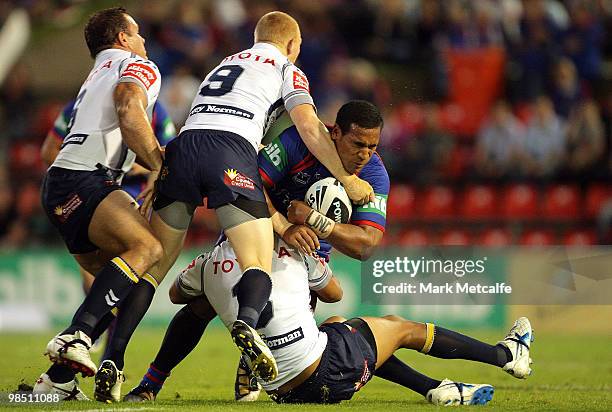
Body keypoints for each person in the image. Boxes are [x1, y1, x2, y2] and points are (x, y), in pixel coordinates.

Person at [144, 11, 374, 384]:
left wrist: (162, 169)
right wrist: (339, 184)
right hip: (242, 182)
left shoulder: (228, 63)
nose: (365, 153)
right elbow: (304, 133)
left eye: (369, 147)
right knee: (254, 273)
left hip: (192, 155)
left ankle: (117, 359)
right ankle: (247, 337)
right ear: (293, 45)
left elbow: (198, 124)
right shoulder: (288, 77)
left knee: (157, 270)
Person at [124, 235, 533, 405]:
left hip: (284, 392)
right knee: (398, 327)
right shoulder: (292, 247)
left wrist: (212, 277)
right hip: (328, 374)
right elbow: (335, 290)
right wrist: (309, 253)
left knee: (342, 325)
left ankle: (434, 389)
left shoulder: (209, 259)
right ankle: (505, 354)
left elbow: (178, 294)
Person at [36, 7, 164, 402]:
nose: (143, 40)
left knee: (123, 280)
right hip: (87, 180)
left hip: (59, 185)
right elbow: (129, 107)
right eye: (137, 32)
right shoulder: (137, 66)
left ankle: (56, 381)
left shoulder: (96, 74)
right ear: (123, 38)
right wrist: (161, 166)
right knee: (149, 249)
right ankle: (76, 337)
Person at [40, 99, 176, 293]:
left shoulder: (153, 109)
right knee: (111, 268)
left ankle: (94, 321)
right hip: (88, 189)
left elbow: (169, 155)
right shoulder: (79, 105)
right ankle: (94, 321)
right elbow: (49, 151)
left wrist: (133, 165)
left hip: (130, 194)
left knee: (131, 261)